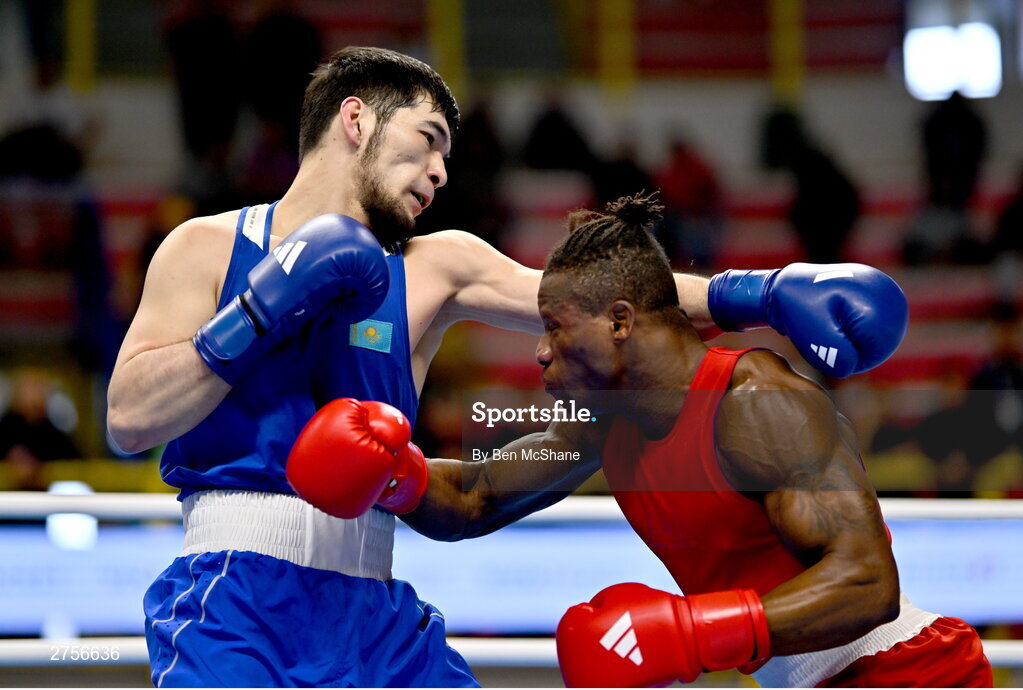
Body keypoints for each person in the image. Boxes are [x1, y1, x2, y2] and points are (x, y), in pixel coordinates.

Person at [107, 46, 910, 687]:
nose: (441, 173)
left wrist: (757, 294)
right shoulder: (208, 246)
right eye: (427, 141)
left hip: (375, 605)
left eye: (447, 155)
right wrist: (257, 311)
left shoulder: (437, 263)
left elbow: (603, 303)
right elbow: (128, 418)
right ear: (355, 119)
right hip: (236, 591)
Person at [309, 194, 987, 687]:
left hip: (909, 673)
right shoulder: (606, 423)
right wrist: (396, 473)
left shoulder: (756, 402)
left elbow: (869, 583)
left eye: (555, 328)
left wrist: (688, 633)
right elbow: (478, 498)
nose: (541, 353)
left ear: (620, 322)